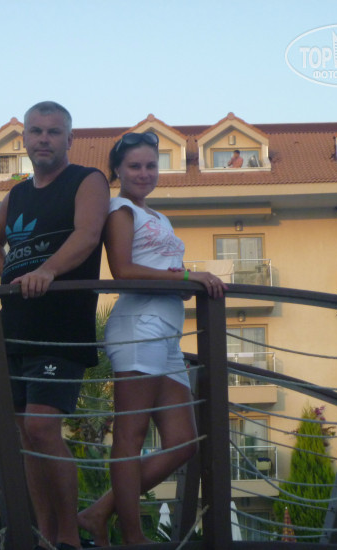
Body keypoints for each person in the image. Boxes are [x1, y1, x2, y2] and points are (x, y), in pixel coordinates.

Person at [77, 132, 226, 545]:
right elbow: (123, 270)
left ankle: (98, 512)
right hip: (137, 328)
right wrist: (188, 275)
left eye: (150, 166)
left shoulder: (157, 216)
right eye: (135, 166)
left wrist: (186, 283)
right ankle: (133, 536)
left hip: (166, 334)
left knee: (183, 442)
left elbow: (163, 271)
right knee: (131, 436)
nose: (144, 173)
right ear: (118, 170)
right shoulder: (120, 210)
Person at [0, 101, 110, 550]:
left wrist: (47, 271)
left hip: (61, 326)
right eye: (36, 131)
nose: (44, 139)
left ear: (70, 139)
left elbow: (87, 234)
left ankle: (69, 536)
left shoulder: (87, 180)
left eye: (54, 131)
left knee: (41, 428)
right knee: (24, 435)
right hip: (14, 326)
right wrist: (12, 274)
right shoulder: (17, 194)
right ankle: (46, 537)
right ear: (25, 140)